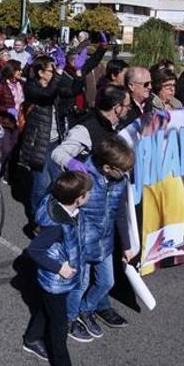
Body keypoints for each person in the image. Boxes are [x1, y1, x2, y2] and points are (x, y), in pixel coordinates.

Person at [64, 137, 135, 342]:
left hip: (105, 242)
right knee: (80, 283)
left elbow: (120, 213)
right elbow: (61, 208)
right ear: (106, 167)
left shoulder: (118, 181)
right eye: (123, 171)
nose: (126, 175)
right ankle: (70, 319)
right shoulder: (82, 178)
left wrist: (127, 245)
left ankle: (87, 310)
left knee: (106, 282)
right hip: (82, 243)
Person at [22, 171, 93, 366]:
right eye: (87, 193)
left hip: (55, 281)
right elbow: (34, 250)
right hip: (55, 281)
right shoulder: (57, 225)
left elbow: (55, 182)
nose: (90, 195)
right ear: (78, 199)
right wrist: (59, 267)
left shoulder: (56, 199)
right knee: (59, 328)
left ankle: (32, 339)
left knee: (48, 310)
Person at [21, 55, 82, 213]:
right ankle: (37, 218)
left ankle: (52, 212)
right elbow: (46, 95)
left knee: (58, 181)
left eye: (55, 69)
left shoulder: (55, 87)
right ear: (41, 73)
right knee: (41, 185)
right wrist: (60, 73)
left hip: (55, 141)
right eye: (51, 69)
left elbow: (73, 91)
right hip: (39, 143)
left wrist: (79, 72)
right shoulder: (31, 87)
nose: (55, 72)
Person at [51, 85, 129, 172]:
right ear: (117, 108)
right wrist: (72, 164)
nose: (129, 109)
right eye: (128, 106)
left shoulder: (115, 127)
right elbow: (58, 153)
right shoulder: (86, 129)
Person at [0, 60, 24, 179]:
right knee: (6, 148)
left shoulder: (20, 84)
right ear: (12, 71)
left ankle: (9, 175)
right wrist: (7, 110)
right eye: (18, 69)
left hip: (18, 121)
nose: (20, 71)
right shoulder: (1, 85)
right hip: (4, 122)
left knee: (14, 149)